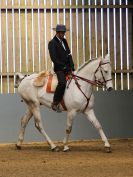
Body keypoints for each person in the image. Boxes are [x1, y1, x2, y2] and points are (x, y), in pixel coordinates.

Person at [48, 24, 75, 111]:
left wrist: (72, 67)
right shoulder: (52, 43)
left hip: (68, 67)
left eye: (64, 32)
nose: (63, 34)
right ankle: (55, 102)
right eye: (61, 33)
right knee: (62, 83)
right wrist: (63, 67)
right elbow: (54, 59)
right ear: (57, 32)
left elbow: (68, 54)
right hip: (59, 68)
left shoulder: (64, 41)